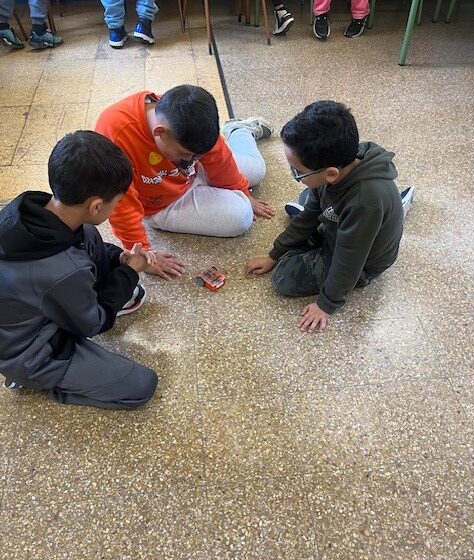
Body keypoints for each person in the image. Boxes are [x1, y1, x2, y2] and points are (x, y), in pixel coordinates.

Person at [0, 130, 158, 409]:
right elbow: (93, 324)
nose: (117, 206)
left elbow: (81, 247)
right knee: (141, 386)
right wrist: (129, 273)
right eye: (117, 202)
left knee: (88, 234)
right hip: (28, 353)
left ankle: (83, 305)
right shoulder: (64, 271)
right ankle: (31, 379)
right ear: (96, 206)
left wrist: (118, 259)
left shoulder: (28, 208)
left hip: (28, 308)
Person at [245, 100, 415, 333]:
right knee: (309, 198)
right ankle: (341, 218)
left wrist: (327, 304)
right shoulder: (340, 162)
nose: (294, 175)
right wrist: (275, 253)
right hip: (343, 226)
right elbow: (310, 214)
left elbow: (349, 261)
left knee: (283, 278)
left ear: (332, 174)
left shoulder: (365, 203)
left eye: (298, 172)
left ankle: (395, 208)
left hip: (361, 263)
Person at [96, 84, 274, 280]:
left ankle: (238, 130)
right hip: (162, 203)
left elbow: (218, 156)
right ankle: (231, 149)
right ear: (160, 132)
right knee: (241, 217)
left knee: (257, 171)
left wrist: (242, 190)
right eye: (184, 154)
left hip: (189, 176)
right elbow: (121, 205)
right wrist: (144, 255)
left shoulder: (192, 118)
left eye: (196, 155)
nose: (190, 160)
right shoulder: (116, 133)